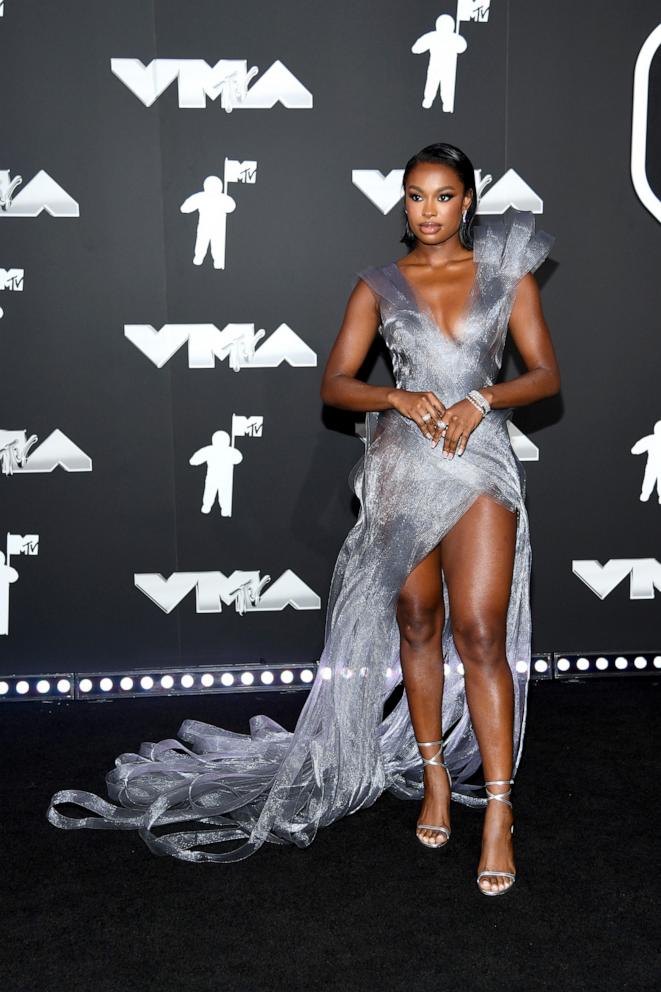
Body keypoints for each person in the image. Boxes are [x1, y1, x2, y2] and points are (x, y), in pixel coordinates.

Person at [48, 143, 559, 897]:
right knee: (416, 624)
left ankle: (498, 813)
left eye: (442, 196)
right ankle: (434, 781)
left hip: (478, 462)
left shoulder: (503, 281)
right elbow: (336, 384)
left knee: (477, 631)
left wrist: (481, 398)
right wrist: (398, 398)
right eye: (414, 196)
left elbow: (544, 375)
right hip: (401, 469)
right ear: (403, 203)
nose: (426, 210)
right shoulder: (379, 286)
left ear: (467, 203)